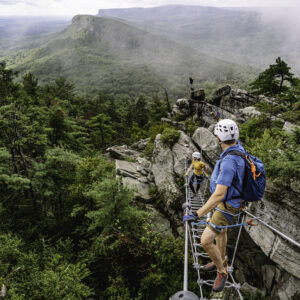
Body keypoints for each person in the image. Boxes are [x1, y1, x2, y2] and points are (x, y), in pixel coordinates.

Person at [196, 119, 245, 292]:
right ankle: (221, 259)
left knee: (206, 241)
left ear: (219, 139)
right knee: (221, 232)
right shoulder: (238, 150)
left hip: (226, 204)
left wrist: (198, 213)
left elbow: (219, 194)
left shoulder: (229, 161)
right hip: (231, 201)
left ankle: (221, 271)